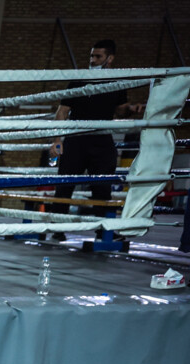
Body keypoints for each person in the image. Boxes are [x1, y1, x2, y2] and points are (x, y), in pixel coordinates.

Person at [47, 39, 145, 234]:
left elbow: (120, 110)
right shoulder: (79, 79)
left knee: (102, 187)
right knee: (64, 186)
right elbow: (62, 111)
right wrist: (57, 141)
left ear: (110, 58)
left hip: (101, 140)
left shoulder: (117, 82)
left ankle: (104, 231)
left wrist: (132, 109)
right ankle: (58, 230)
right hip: (76, 139)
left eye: (97, 56)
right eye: (91, 55)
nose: (92, 60)